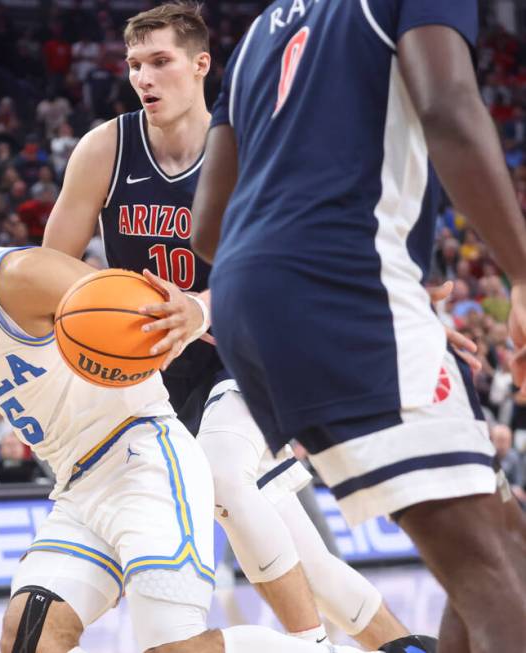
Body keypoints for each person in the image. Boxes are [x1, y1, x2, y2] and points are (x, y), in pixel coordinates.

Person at [0, 191, 392, 653]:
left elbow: (129, 310)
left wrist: (177, 323)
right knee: (26, 638)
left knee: (174, 649)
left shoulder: (19, 277)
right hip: (78, 490)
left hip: (145, 457)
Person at [42, 3, 415, 648]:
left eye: (160, 61)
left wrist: (202, 308)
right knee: (301, 551)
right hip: (154, 373)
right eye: (134, 65)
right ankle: (403, 645)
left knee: (219, 470)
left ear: (200, 64)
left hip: (251, 348)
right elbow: (50, 266)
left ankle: (310, 647)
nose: (144, 78)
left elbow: (290, 263)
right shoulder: (106, 148)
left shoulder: (250, 145)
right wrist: (98, 319)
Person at [192, 1, 526, 651]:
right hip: (345, 288)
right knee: (491, 568)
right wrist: (521, 272)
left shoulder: (261, 31)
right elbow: (450, 109)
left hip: (250, 296)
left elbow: (207, 227)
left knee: (497, 543)